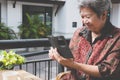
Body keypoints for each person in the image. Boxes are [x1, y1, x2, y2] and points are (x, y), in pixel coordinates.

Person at [49, 0, 120, 80]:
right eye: (82, 17)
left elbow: (106, 70)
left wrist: (74, 64)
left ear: (103, 15)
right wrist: (59, 57)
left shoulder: (117, 37)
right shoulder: (79, 33)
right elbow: (70, 60)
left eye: (88, 17)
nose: (84, 21)